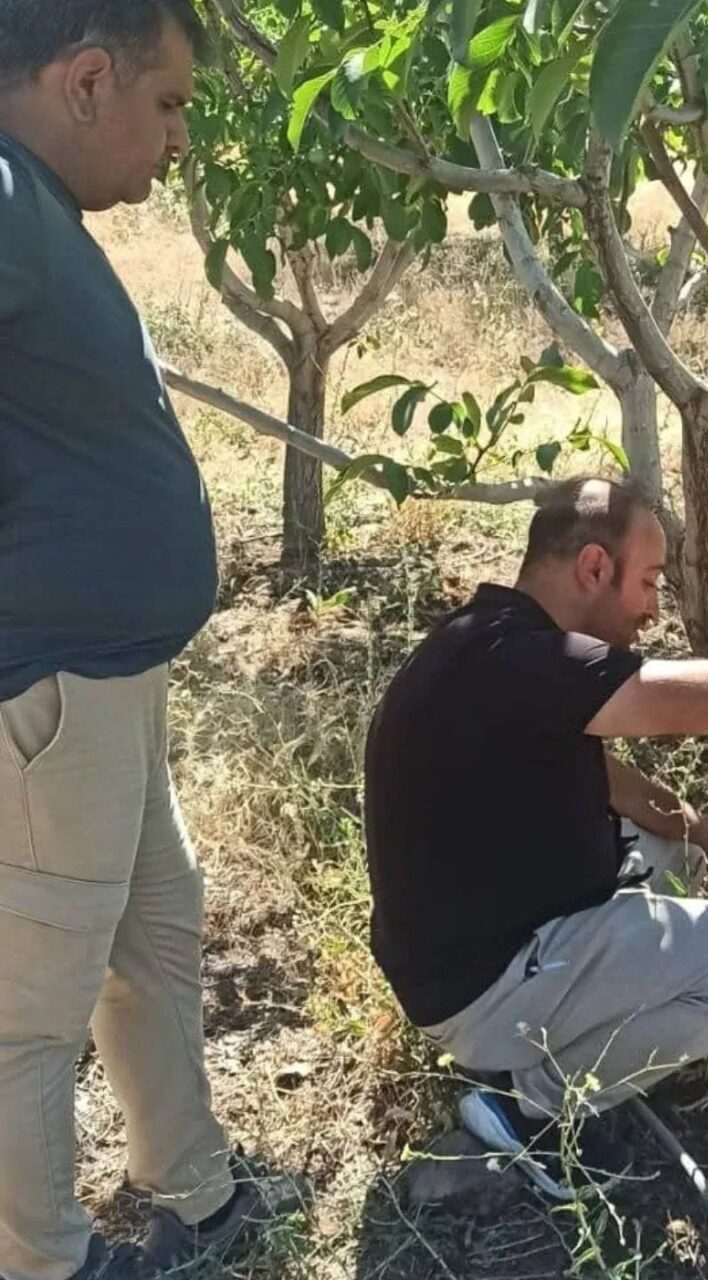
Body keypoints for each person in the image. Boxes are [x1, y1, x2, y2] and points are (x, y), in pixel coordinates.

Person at [0, 5, 300, 1279]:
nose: (180, 138)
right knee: (31, 1006)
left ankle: (189, 1181)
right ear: (84, 79)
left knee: (154, 928)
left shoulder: (33, 207)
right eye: (168, 104)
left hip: (111, 681)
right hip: (52, 688)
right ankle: (40, 1256)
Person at [363, 478, 708, 1198]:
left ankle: (551, 1047)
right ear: (592, 568)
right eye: (648, 581)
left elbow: (600, 773)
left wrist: (706, 831)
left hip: (475, 955)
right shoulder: (535, 664)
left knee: (669, 848)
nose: (652, 608)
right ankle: (533, 1112)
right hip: (479, 989)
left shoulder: (491, 642)